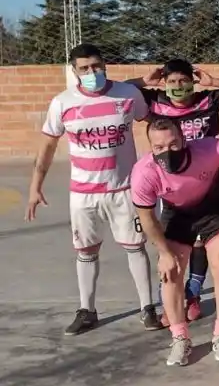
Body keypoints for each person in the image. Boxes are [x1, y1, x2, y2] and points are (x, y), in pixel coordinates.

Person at [25, 43, 157, 334]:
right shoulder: (63, 102)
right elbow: (48, 145)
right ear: (74, 71)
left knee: (136, 248)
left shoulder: (128, 94)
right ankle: (87, 310)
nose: (91, 72)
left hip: (124, 189)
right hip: (84, 194)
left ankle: (148, 308)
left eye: (96, 66)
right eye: (84, 68)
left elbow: (152, 124)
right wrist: (35, 187)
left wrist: (156, 166)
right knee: (86, 252)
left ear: (105, 65)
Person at [130, 118, 219, 367]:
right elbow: (147, 218)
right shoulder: (143, 172)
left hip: (214, 208)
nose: (167, 151)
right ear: (150, 148)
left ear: (184, 140)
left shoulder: (210, 149)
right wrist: (164, 253)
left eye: (173, 144)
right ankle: (180, 337)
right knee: (171, 273)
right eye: (159, 147)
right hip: (177, 214)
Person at [129, 58, 219, 325]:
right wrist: (144, 81)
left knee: (203, 245)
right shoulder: (155, 102)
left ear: (192, 80)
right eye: (171, 81)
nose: (177, 86)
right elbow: (121, 90)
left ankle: (193, 294)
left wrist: (212, 81)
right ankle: (173, 306)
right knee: (174, 250)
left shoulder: (207, 101)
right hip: (172, 187)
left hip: (206, 181)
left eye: (184, 80)